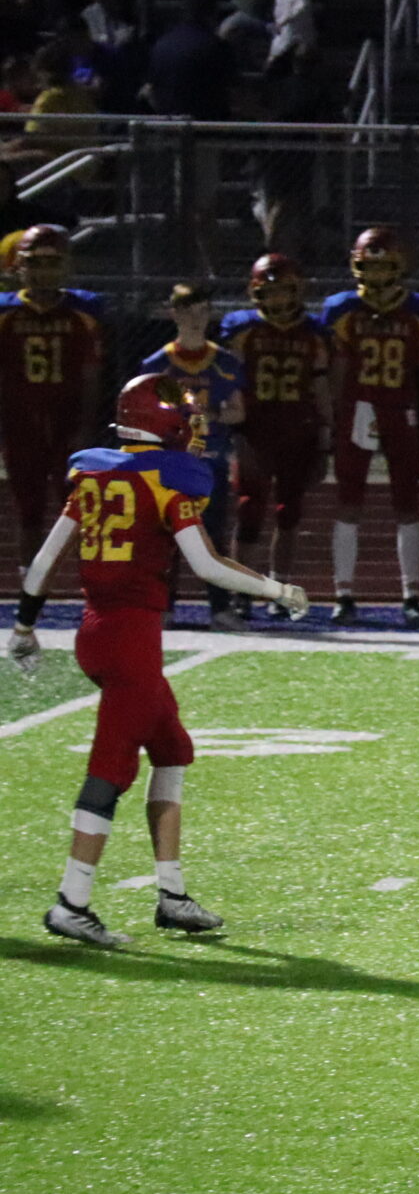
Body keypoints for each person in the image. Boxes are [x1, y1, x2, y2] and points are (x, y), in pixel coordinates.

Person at [16, 375, 309, 946]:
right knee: (109, 770)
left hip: (95, 631)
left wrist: (25, 627)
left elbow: (44, 562)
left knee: (172, 749)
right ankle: (71, 903)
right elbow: (208, 565)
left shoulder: (94, 475)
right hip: (131, 640)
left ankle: (172, 895)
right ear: (163, 420)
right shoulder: (165, 482)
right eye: (186, 415)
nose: (195, 426)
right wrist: (276, 590)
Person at [321, 228, 419, 628]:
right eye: (367, 266)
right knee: (349, 500)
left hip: (399, 408)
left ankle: (412, 595)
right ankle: (343, 593)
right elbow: (339, 367)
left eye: (381, 267)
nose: (374, 275)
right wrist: (335, 414)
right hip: (359, 407)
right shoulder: (342, 309)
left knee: (407, 502)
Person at [138, 286, 248, 628]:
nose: (196, 319)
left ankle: (220, 608)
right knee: (165, 536)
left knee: (211, 535)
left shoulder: (224, 361)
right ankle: (163, 606)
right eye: (188, 312)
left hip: (209, 459)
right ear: (174, 314)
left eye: (202, 311)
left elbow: (239, 412)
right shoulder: (157, 364)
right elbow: (143, 415)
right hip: (170, 462)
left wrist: (212, 413)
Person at [222, 254, 331, 598]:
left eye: (283, 291)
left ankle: (279, 588)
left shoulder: (314, 333)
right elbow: (229, 383)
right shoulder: (241, 329)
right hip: (254, 430)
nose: (278, 299)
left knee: (289, 512)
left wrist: (326, 435)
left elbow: (320, 386)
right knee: (249, 509)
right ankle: (242, 590)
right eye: (270, 292)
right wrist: (234, 429)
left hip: (298, 428)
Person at [0, 225, 103, 563]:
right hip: (20, 421)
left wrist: (86, 427)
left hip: (67, 420)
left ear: (66, 266)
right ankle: (29, 585)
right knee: (28, 509)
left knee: (78, 508)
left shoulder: (84, 310)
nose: (43, 271)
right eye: (35, 262)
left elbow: (92, 373)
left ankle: (90, 584)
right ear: (19, 265)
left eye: (52, 262)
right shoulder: (5, 312)